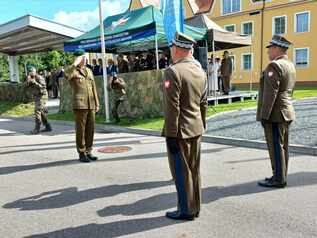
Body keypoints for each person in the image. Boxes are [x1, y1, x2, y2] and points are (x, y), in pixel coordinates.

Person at [162, 32, 208, 221]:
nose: (171, 51)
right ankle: (194, 207)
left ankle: (185, 210)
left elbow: (172, 108)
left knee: (181, 173)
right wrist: (201, 125)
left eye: (172, 47)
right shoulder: (200, 71)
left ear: (178, 49)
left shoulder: (173, 71)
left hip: (180, 131)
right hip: (196, 128)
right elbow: (203, 103)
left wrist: (171, 135)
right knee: (194, 171)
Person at [257, 35, 296, 188]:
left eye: (270, 49)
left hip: (275, 113)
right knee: (283, 146)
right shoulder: (290, 65)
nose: (268, 52)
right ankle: (280, 175)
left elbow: (270, 94)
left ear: (277, 48)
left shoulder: (274, 66)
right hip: (286, 111)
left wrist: (264, 116)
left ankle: (278, 179)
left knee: (275, 147)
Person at [64, 50, 100, 163]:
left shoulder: (89, 70)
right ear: (77, 59)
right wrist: (75, 63)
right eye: (81, 57)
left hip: (91, 104)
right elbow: (66, 74)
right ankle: (81, 152)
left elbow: (94, 87)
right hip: (80, 105)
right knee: (81, 130)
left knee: (91, 129)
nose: (84, 59)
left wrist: (97, 103)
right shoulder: (73, 71)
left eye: (85, 57)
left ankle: (89, 151)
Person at [26, 66, 52, 134]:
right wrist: (28, 82)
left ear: (35, 71)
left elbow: (43, 88)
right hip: (37, 96)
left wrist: (35, 82)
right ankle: (48, 126)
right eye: (29, 72)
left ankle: (37, 129)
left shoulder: (39, 78)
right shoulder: (31, 77)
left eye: (31, 71)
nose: (30, 73)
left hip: (42, 96)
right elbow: (27, 87)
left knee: (37, 111)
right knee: (42, 112)